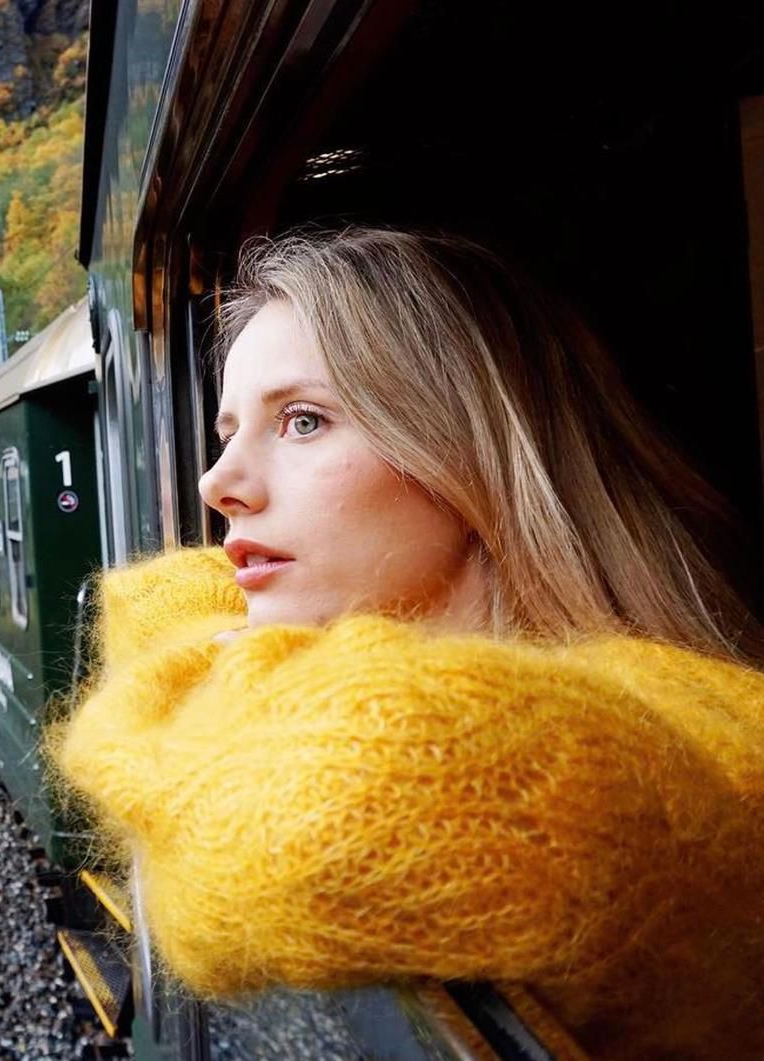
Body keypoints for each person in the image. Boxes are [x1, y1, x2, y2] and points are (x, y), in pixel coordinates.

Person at [56, 228, 764, 1061]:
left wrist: (178, 683)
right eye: (228, 432)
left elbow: (336, 803)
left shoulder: (695, 739)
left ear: (467, 453)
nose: (218, 483)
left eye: (303, 420)